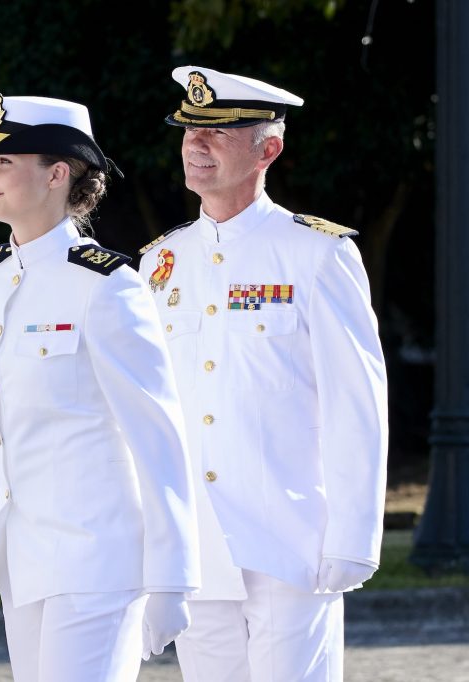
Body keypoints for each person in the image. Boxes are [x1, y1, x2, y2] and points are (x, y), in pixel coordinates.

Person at [0, 94, 201, 682]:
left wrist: (172, 578)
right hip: (27, 562)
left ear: (57, 174)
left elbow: (158, 437)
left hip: (98, 559)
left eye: (4, 161)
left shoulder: (107, 285)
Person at [139, 66, 388, 681]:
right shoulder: (159, 263)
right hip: (200, 546)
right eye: (189, 130)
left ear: (267, 149)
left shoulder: (317, 253)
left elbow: (356, 403)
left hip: (290, 539)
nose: (196, 145)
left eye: (217, 133)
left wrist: (355, 536)